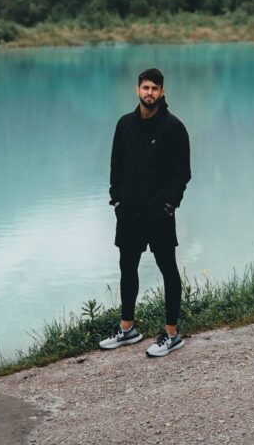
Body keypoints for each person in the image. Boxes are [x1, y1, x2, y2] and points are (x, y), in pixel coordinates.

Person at [99, 67, 191, 357]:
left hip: (159, 212)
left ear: (162, 92)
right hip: (129, 211)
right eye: (145, 88)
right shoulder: (124, 125)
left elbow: (182, 173)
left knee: (167, 269)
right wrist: (116, 198)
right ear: (137, 90)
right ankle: (128, 330)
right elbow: (116, 164)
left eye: (154, 88)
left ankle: (172, 333)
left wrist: (169, 205)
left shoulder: (174, 127)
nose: (149, 93)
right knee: (128, 266)